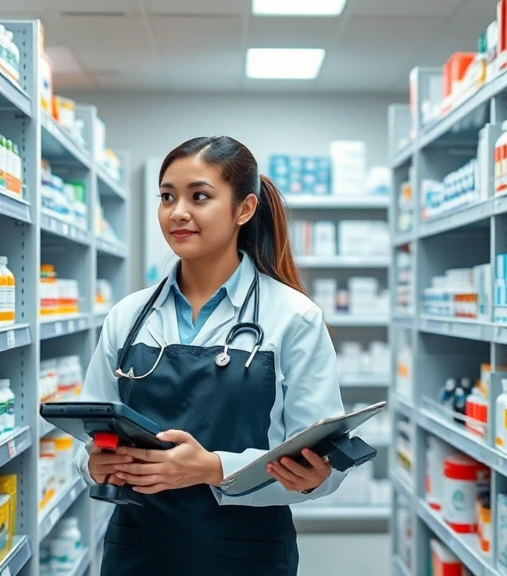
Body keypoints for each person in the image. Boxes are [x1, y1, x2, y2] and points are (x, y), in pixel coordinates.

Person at [76, 136, 348, 575]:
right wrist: (96, 463)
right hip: (137, 552)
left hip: (246, 555)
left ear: (244, 209)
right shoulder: (127, 317)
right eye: (167, 197)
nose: (177, 212)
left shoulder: (293, 318)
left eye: (199, 196)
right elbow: (90, 437)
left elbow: (325, 467)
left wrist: (213, 468)